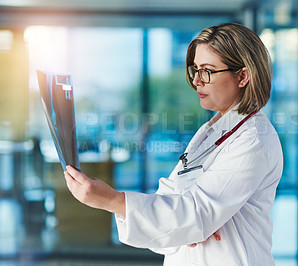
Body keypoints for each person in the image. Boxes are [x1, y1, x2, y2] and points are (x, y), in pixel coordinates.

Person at [64, 23, 283, 266]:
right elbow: (171, 201)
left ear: (242, 76)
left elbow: (196, 213)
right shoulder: (211, 131)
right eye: (195, 69)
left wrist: (113, 200)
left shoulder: (253, 139)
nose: (197, 80)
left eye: (208, 71)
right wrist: (184, 226)